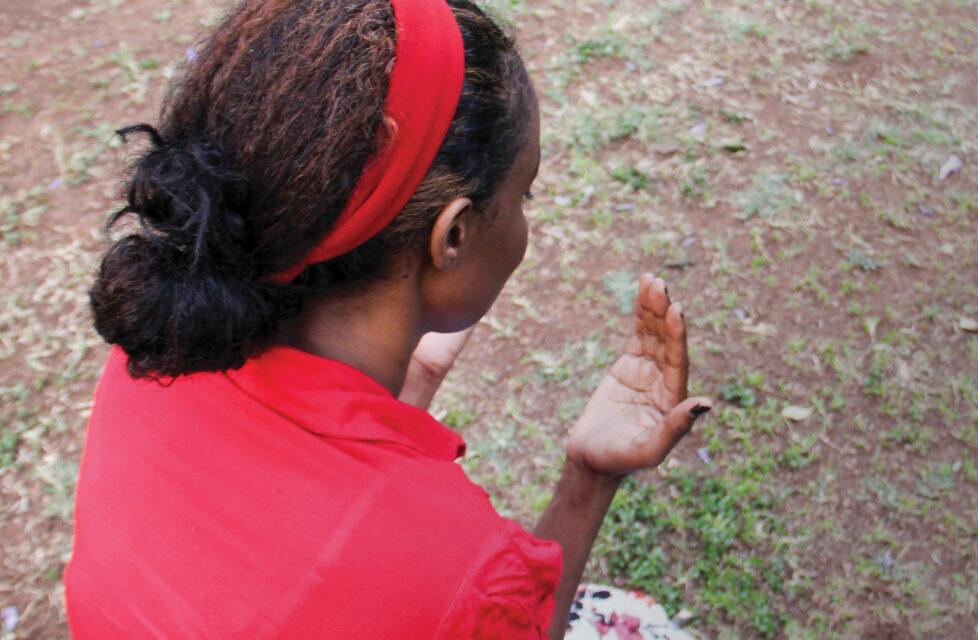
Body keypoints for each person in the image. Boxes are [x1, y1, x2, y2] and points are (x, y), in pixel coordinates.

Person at [64, 0, 712, 637]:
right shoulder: (457, 576)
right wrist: (588, 482)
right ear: (450, 238)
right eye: (526, 195)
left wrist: (409, 394)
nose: (525, 221)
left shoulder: (157, 352)